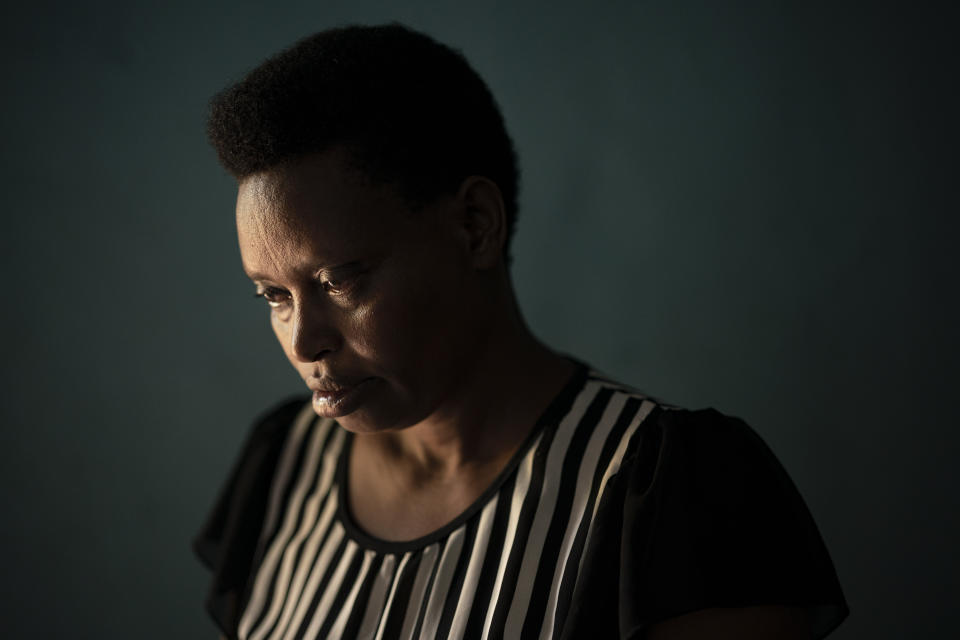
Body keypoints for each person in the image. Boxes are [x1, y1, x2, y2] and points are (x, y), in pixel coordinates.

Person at [193, 23, 849, 640]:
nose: (305, 342)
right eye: (274, 296)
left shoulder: (667, 492)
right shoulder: (282, 463)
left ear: (475, 225)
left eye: (341, 281)